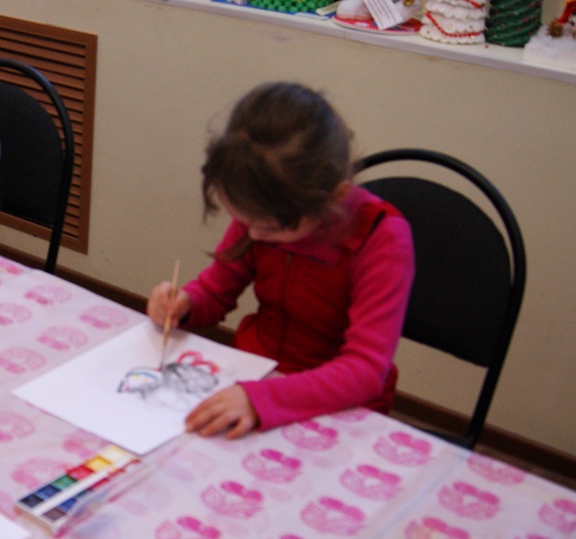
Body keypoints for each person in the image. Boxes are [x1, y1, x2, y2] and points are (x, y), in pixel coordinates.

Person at [146, 82, 414, 440]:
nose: (254, 235)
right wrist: (184, 304)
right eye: (245, 221)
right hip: (253, 373)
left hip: (337, 405)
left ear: (334, 197)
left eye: (270, 229)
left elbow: (364, 371)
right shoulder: (264, 210)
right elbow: (215, 290)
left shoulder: (382, 240)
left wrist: (262, 399)